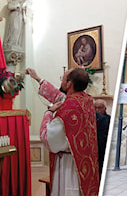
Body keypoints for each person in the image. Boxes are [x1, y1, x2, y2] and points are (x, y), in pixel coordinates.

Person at [27, 67, 99, 196]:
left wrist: (48, 113)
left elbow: (48, 138)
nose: (61, 81)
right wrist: (37, 78)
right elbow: (59, 95)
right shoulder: (86, 100)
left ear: (69, 84)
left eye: (63, 78)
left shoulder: (67, 109)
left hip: (68, 164)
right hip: (84, 161)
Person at [94, 99, 110, 180]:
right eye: (95, 108)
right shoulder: (90, 119)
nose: (97, 110)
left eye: (99, 108)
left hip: (102, 148)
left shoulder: (108, 119)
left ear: (105, 109)